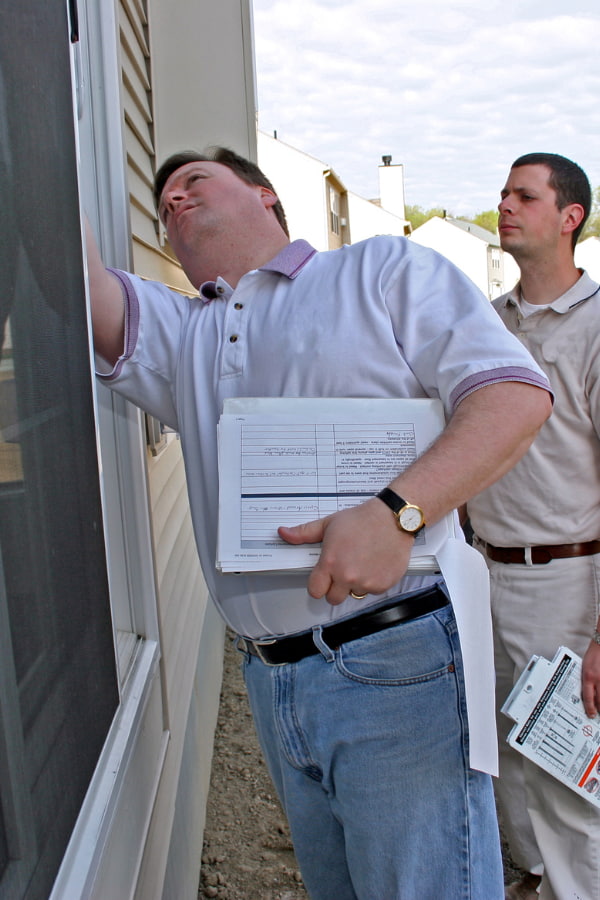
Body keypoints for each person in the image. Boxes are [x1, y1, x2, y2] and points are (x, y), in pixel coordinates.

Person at [86, 146, 552, 900]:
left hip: (397, 661)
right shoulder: (187, 332)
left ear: (266, 195)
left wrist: (397, 514)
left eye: (194, 180)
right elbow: (83, 285)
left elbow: (512, 397)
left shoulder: (381, 272)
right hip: (272, 680)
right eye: (163, 195)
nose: (173, 199)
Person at [467, 153, 600, 900]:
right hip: (484, 570)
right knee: (507, 757)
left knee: (566, 774)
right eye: (502, 194)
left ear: (569, 217)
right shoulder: (489, 325)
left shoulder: (595, 329)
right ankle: (538, 880)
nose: (505, 206)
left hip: (566, 581)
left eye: (525, 196)